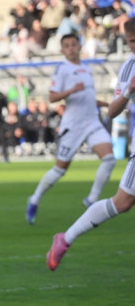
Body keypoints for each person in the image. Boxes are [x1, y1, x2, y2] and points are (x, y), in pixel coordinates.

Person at [47, 23, 135, 269]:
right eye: (131, 42)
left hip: (87, 124)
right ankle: (65, 239)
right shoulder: (129, 67)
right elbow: (114, 112)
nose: (134, 46)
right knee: (123, 202)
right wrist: (128, 91)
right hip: (76, 125)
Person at [26, 33, 115, 224]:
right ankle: (34, 199)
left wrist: (105, 104)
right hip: (73, 125)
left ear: (80, 47)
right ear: (62, 50)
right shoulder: (62, 70)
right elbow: (52, 97)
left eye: (74, 44)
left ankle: (91, 200)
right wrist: (72, 90)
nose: (71, 48)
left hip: (92, 121)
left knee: (109, 159)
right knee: (59, 170)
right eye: (67, 46)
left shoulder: (86, 68)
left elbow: (88, 97)